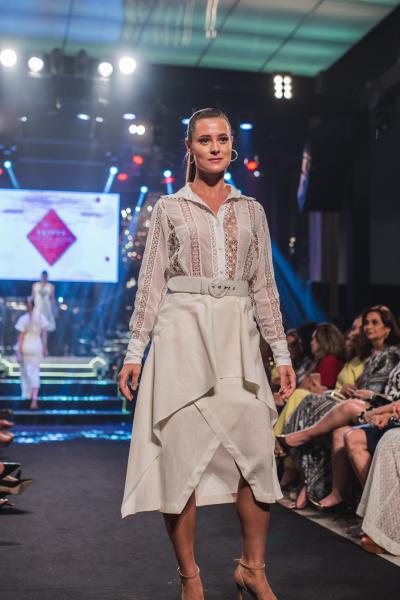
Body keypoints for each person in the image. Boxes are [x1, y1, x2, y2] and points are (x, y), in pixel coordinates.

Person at [118, 107, 295, 600]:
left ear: (232, 146)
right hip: (182, 335)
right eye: (204, 139)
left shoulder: (252, 210)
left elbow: (265, 287)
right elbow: (152, 284)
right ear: (190, 147)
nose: (214, 147)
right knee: (179, 460)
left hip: (237, 337)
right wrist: (135, 351)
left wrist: (281, 354)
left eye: (222, 139)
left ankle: (252, 569)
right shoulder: (169, 208)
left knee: (256, 455)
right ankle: (190, 577)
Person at [279, 305, 400, 507]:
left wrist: (373, 399)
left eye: (374, 323)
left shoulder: (391, 355)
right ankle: (323, 489)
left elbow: (382, 394)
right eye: (366, 323)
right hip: (372, 406)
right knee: (336, 430)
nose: (368, 327)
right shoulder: (372, 355)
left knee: (324, 405)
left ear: (388, 329)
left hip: (379, 408)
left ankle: (298, 441)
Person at [15, 297, 49, 410]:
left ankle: (27, 396)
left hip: (26, 346)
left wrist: (18, 351)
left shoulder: (24, 318)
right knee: (34, 372)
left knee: (25, 373)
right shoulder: (41, 317)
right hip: (37, 346)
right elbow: (44, 334)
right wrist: (45, 348)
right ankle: (34, 399)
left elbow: (21, 337)